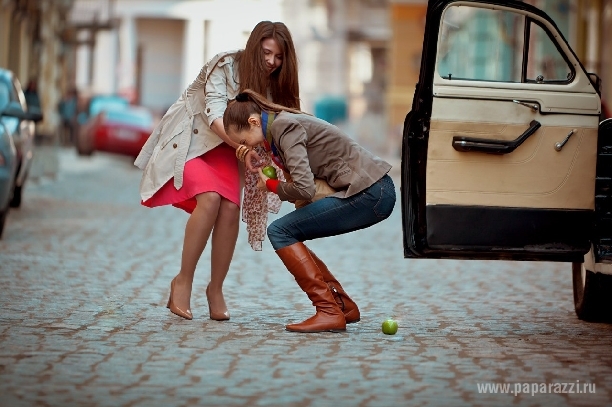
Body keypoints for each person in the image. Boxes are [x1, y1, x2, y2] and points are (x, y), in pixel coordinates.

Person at [134, 21, 301, 321]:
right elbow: (213, 113)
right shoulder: (225, 65)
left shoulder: (273, 84)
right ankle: (182, 281)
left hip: (230, 152)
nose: (272, 62)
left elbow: (282, 128)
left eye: (278, 57)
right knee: (210, 198)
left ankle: (216, 289)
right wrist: (244, 148)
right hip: (196, 140)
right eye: (266, 53)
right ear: (253, 47)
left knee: (229, 209)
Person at [222, 90, 396, 333]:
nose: (246, 145)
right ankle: (341, 306)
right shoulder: (278, 128)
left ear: (252, 122)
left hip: (371, 192)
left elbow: (304, 188)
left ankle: (329, 311)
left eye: (243, 140)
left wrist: (271, 186)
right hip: (372, 190)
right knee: (287, 232)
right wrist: (250, 155)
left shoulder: (284, 127)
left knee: (281, 231)